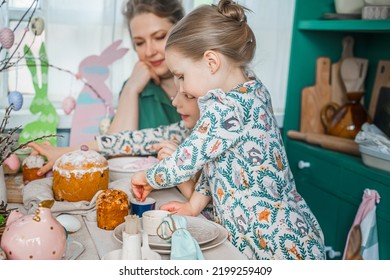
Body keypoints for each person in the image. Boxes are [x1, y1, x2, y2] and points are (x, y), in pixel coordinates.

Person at [130, 0, 326, 260]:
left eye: (181, 75)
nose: (182, 87)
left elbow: (185, 161)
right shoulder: (252, 92)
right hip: (266, 232)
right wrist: (193, 205)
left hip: (276, 243)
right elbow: (217, 166)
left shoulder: (226, 108)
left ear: (211, 62)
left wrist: (147, 177)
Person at [28, 88, 201, 200]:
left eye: (188, 95)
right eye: (176, 92)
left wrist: (178, 169)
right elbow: (128, 140)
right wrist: (67, 152)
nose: (175, 102)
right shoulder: (182, 130)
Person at [108, 0, 184, 133]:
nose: (149, 52)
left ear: (182, 31)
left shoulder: (205, 86)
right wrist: (130, 89)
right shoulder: (133, 88)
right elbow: (115, 149)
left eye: (159, 37)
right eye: (139, 42)